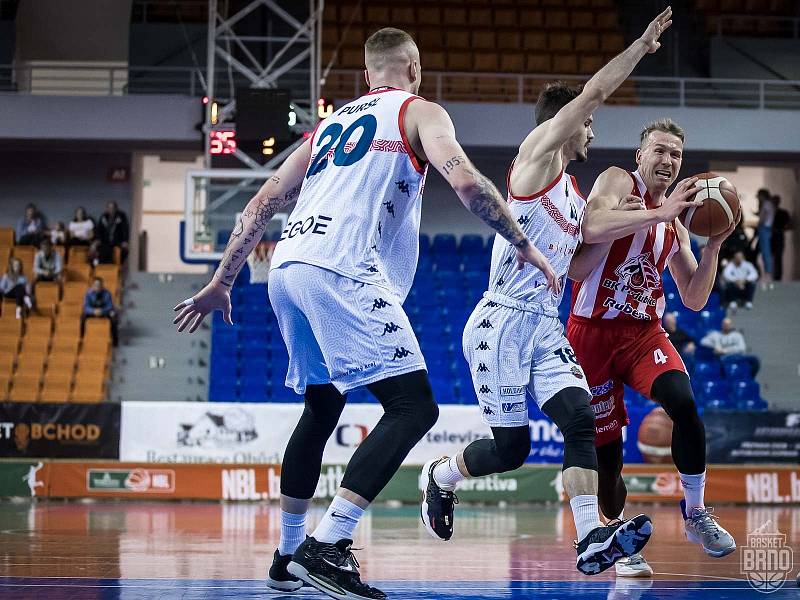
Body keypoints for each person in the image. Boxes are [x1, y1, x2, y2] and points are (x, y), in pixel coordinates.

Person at [172, 27, 554, 600]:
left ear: (366, 75)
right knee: (414, 406)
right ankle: (328, 544)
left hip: (287, 267)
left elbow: (260, 204)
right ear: (415, 70)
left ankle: (285, 555)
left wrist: (219, 283)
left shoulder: (325, 127)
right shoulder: (420, 112)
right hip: (340, 269)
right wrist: (524, 243)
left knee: (322, 406)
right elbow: (468, 183)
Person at [418, 8, 675, 579]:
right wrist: (640, 46)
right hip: (500, 322)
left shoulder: (575, 197)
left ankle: (589, 539)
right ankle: (440, 475)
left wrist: (640, 222)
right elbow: (594, 92)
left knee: (580, 420)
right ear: (565, 122)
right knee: (510, 450)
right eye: (586, 124)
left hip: (543, 325)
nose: (592, 131)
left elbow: (582, 262)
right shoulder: (534, 162)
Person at [569, 117, 738, 569]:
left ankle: (696, 511)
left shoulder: (674, 224)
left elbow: (695, 297)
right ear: (640, 155)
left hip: (643, 333)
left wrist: (714, 247)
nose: (668, 160)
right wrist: (659, 213)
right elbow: (589, 227)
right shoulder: (617, 181)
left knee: (682, 401)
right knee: (608, 463)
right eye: (659, 151)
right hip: (592, 333)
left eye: (676, 155)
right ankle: (618, 541)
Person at [81, 277, 119, 347]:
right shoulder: (88, 294)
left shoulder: (107, 293)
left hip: (104, 311)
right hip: (93, 312)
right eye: (95, 285)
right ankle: (82, 336)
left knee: (114, 318)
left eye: (99, 285)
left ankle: (115, 341)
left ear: (102, 286)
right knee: (82, 317)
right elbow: (86, 307)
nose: (97, 287)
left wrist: (102, 311)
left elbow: (110, 306)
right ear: (92, 286)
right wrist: (93, 311)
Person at [770, 195, 792, 281]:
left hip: (778, 236)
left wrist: (780, 230)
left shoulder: (783, 213)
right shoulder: (771, 212)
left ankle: (777, 277)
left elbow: (788, 224)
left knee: (778, 257)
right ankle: (774, 275)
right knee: (773, 257)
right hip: (773, 237)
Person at [754, 188, 774, 282]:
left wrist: (760, 224)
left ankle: (768, 272)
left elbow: (764, 217)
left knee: (766, 251)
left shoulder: (766, 203)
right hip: (765, 228)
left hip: (764, 228)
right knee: (764, 251)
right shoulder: (767, 204)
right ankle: (767, 272)